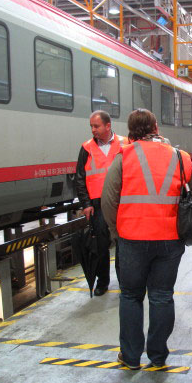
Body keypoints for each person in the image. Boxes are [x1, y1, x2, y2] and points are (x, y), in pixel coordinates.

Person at [101, 109, 192, 369]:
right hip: (169, 240)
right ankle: (158, 357)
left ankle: (131, 357)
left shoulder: (123, 157)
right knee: (161, 296)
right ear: (156, 126)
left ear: (130, 130)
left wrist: (116, 231)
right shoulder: (181, 158)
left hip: (132, 238)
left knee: (131, 296)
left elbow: (109, 200)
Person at [76, 110, 128, 296]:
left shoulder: (125, 143)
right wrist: (86, 203)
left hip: (121, 201)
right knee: (100, 245)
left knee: (123, 242)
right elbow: (80, 178)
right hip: (97, 204)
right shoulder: (87, 148)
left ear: (108, 125)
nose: (93, 130)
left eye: (96, 126)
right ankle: (103, 282)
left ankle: (125, 282)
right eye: (91, 126)